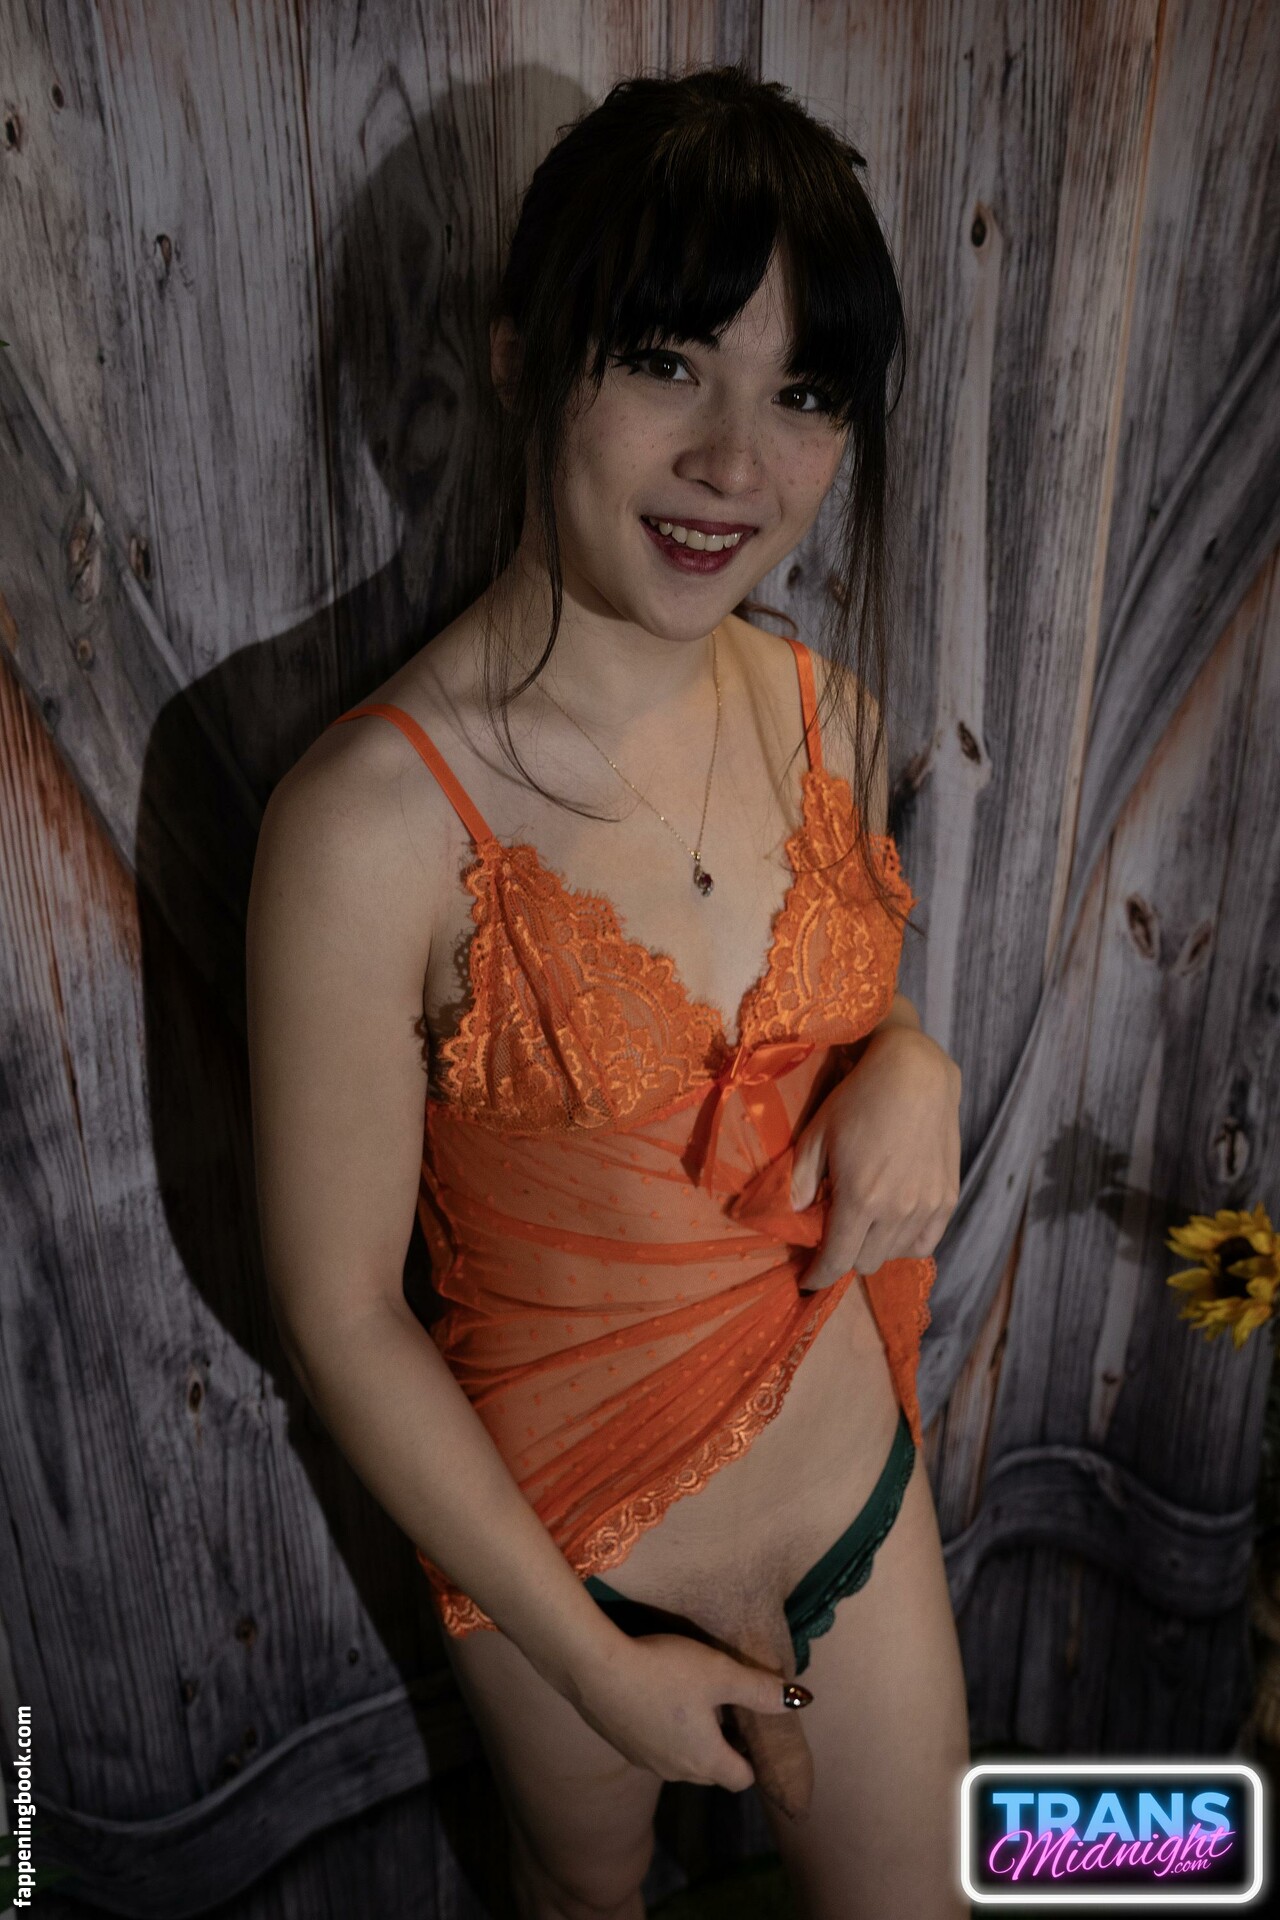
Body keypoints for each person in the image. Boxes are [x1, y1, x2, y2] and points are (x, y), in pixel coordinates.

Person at [247, 62, 970, 1920]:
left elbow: (828, 1029)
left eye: (804, 394)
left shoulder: (830, 717)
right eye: (668, 363)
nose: (738, 464)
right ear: (520, 359)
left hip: (845, 1485)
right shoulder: (369, 829)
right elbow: (341, 1310)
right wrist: (590, 1667)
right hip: (558, 1568)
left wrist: (916, 1054)